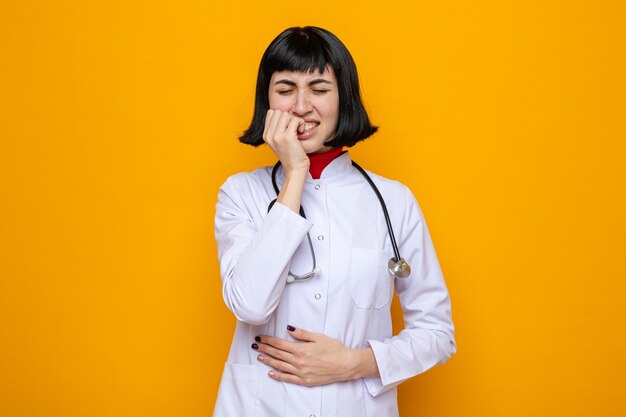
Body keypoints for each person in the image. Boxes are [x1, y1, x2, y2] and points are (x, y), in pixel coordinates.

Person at [213, 26, 455, 417]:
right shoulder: (241, 194)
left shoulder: (394, 201)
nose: (302, 106)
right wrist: (295, 174)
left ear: (343, 98)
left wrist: (354, 363)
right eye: (286, 88)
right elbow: (251, 306)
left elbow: (438, 333)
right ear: (267, 101)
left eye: (320, 89)